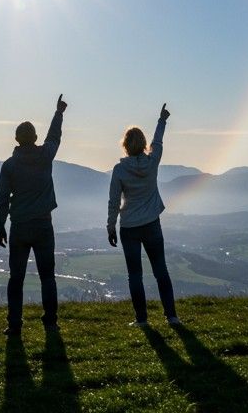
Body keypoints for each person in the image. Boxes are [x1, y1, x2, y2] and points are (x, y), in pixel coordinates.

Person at [0, 94, 66, 335]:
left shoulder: (9, 165)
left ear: (16, 139)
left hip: (20, 227)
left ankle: (14, 324)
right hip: (44, 225)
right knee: (48, 277)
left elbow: (2, 198)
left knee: (16, 278)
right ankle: (51, 322)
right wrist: (58, 113)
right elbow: (54, 137)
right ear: (35, 138)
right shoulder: (45, 156)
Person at [107, 103, 180, 327]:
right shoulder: (152, 162)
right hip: (152, 224)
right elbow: (158, 142)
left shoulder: (119, 170)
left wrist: (111, 226)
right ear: (143, 145)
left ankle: (142, 320)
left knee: (135, 275)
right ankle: (172, 317)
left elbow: (113, 201)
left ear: (125, 146)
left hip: (129, 227)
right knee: (161, 270)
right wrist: (162, 119)